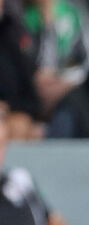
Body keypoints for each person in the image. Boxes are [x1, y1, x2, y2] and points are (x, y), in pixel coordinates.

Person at [22, 0, 89, 120]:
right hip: (35, 87)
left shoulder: (76, 9)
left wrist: (69, 81)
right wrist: (47, 24)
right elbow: (43, 68)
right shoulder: (22, 13)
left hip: (74, 81)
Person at [0, 0, 40, 139]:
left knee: (19, 125)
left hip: (11, 114)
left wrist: (8, 107)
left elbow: (29, 96)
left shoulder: (12, 34)